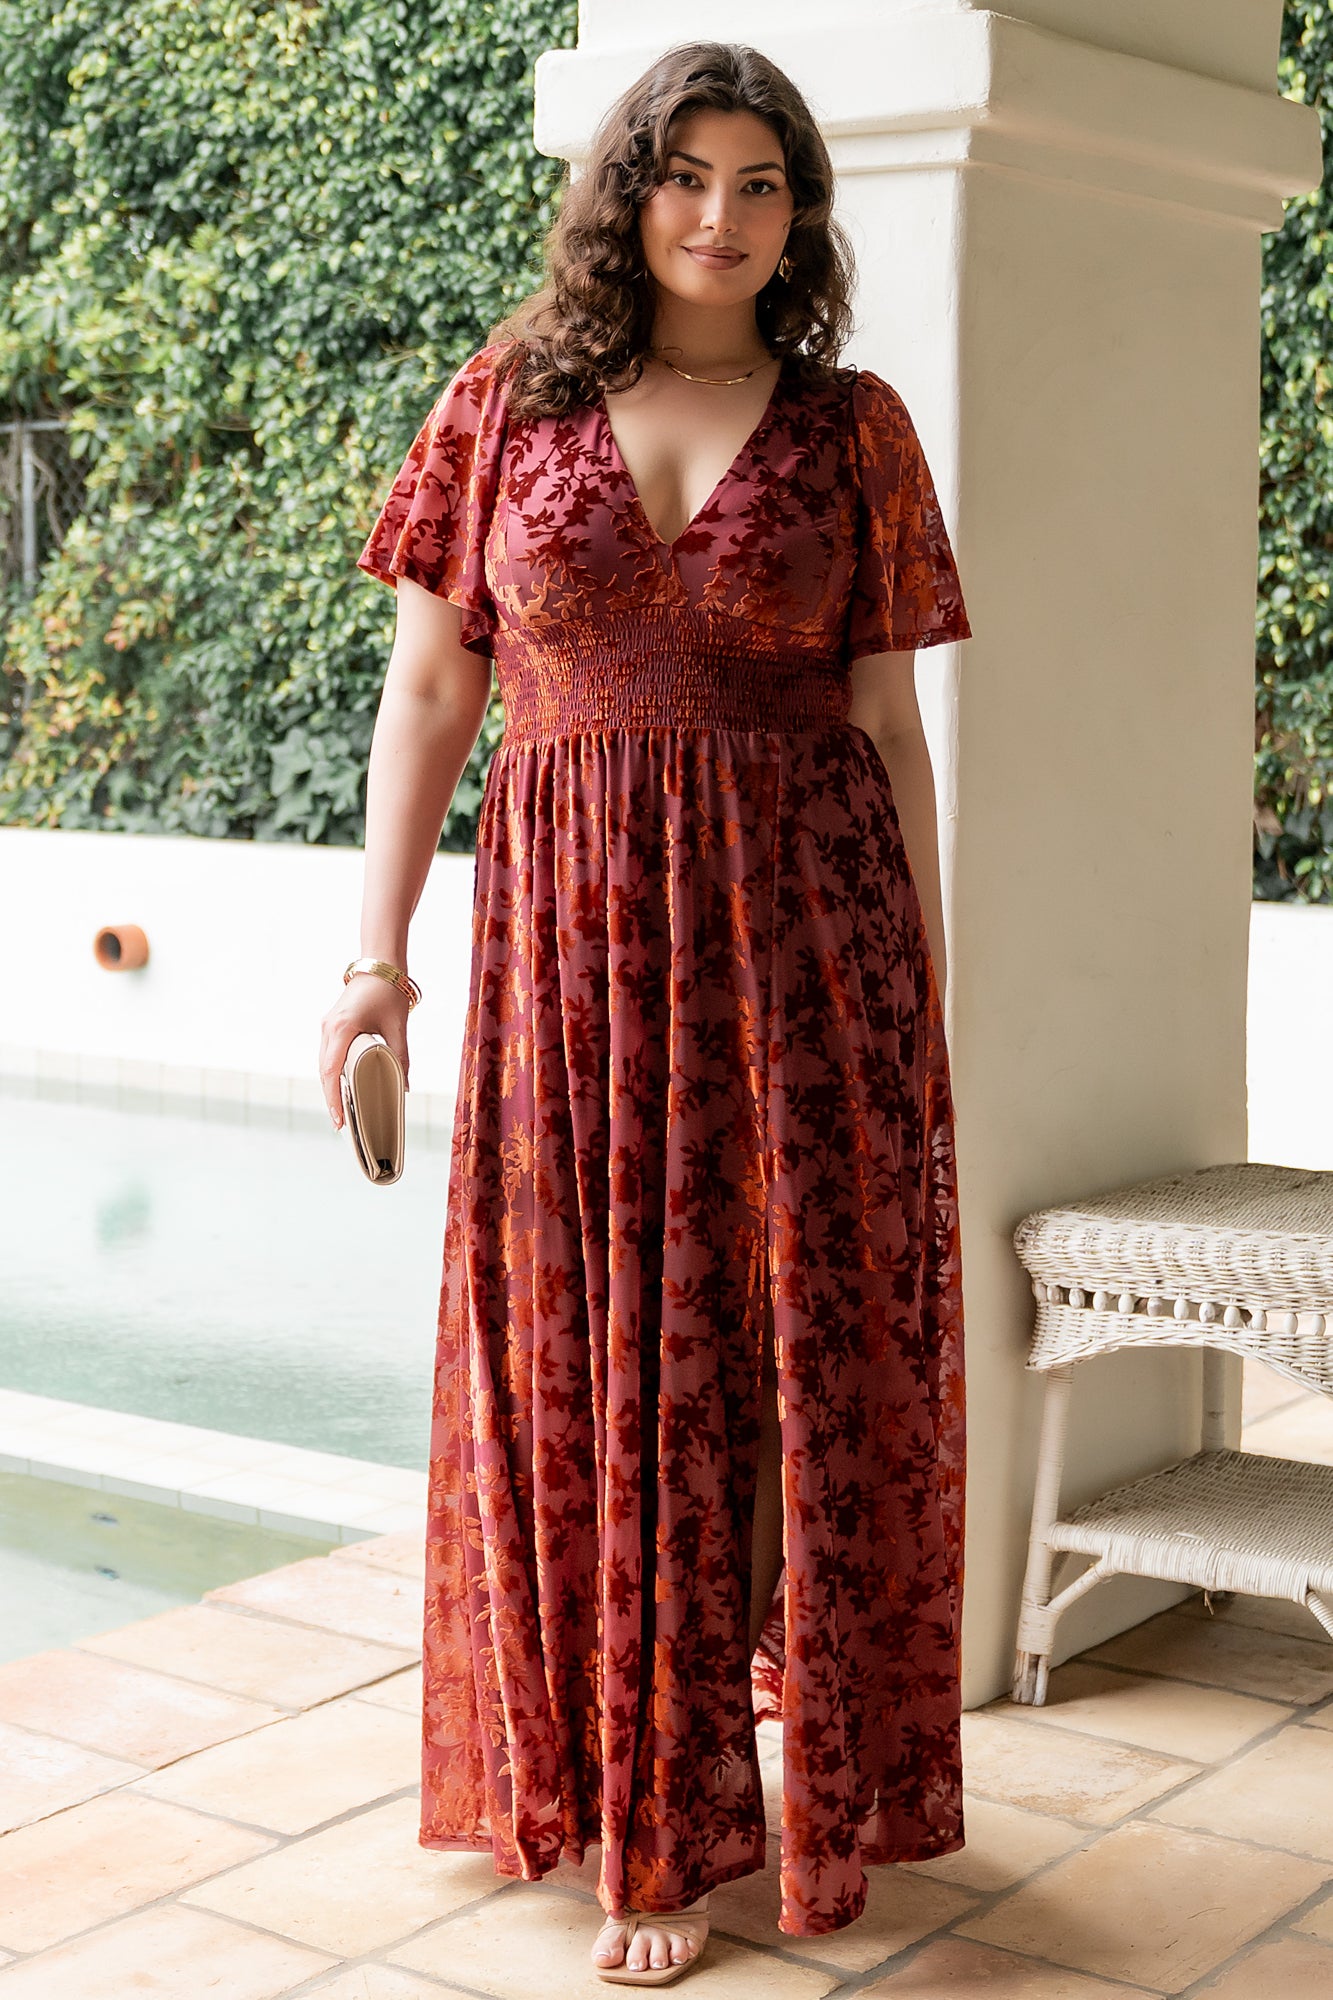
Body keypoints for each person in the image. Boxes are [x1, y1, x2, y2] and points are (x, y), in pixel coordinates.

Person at [319, 37, 970, 1990]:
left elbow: (885, 732)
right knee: (602, 1364)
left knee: (779, 1379)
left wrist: (918, 1008)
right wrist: (376, 958)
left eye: (760, 182)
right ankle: (641, 1808)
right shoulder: (501, 409)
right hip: (571, 960)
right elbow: (430, 696)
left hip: (801, 950)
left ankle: (746, 1786)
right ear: (625, 190)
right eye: (684, 173)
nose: (719, 213)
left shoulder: (853, 428)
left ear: (800, 215)